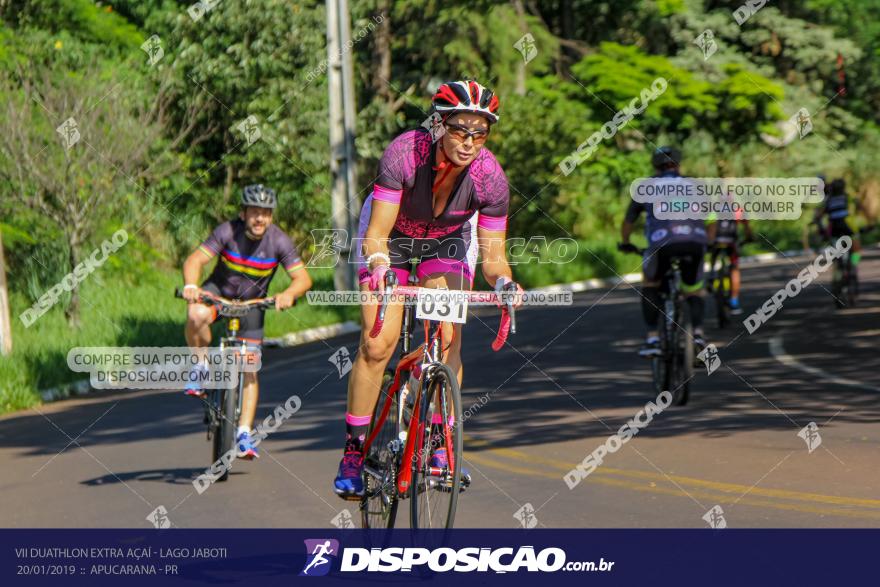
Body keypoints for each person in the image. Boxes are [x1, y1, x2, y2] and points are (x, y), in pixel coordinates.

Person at [333, 80, 523, 498]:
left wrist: (506, 283)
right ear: (439, 125)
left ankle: (439, 442)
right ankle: (354, 450)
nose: (469, 141)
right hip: (392, 238)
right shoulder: (404, 154)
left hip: (448, 240)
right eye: (460, 130)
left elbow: (493, 258)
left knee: (448, 336)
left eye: (480, 132)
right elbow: (377, 236)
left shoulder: (490, 178)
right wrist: (381, 267)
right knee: (377, 345)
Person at [180, 184, 313, 459]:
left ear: (271, 216)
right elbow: (195, 260)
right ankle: (201, 365)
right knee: (195, 314)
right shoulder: (227, 231)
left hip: (253, 304)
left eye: (266, 213)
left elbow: (303, 279)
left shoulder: (279, 241)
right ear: (243, 213)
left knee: (249, 366)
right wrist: (192, 286)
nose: (260, 218)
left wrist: (288, 295)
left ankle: (243, 433)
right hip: (219, 294)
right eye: (254, 212)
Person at [619, 146, 712, 358]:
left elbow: (628, 221)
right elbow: (712, 218)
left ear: (655, 165)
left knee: (651, 283)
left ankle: (653, 338)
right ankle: (697, 335)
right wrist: (710, 241)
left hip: (661, 244)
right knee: (694, 290)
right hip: (694, 242)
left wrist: (625, 242)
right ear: (678, 164)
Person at [708, 217, 753, 314]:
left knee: (713, 255)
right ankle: (734, 301)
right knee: (734, 268)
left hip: (716, 242)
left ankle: (711, 274)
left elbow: (709, 224)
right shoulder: (737, 209)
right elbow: (746, 226)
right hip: (731, 243)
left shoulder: (713, 207)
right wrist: (749, 238)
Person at [814, 178, 861, 271]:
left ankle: (838, 269)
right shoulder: (847, 197)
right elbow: (858, 205)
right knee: (856, 246)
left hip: (833, 227)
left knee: (832, 245)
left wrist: (817, 220)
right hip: (847, 225)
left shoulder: (828, 200)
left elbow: (820, 214)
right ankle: (855, 265)